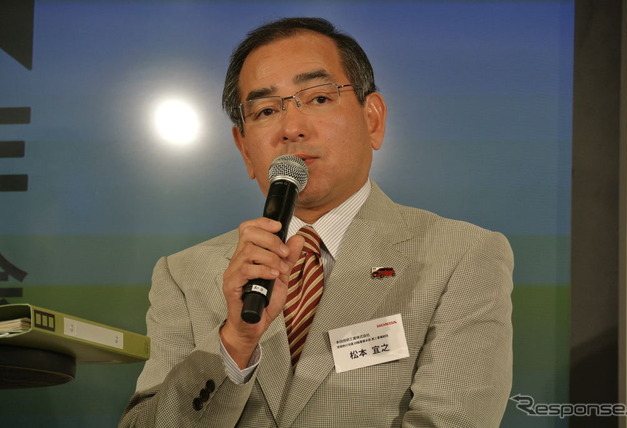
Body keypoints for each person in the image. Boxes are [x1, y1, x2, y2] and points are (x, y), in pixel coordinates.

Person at [119, 17, 513, 427]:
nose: (292, 128)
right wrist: (234, 341)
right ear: (244, 149)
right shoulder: (184, 275)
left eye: (319, 98)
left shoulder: (461, 256)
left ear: (373, 119)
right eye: (266, 110)